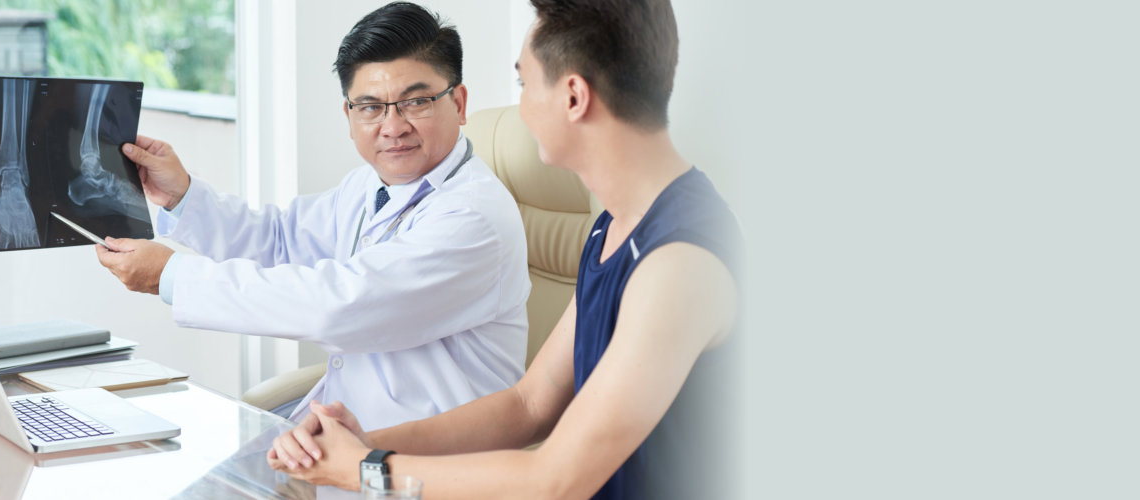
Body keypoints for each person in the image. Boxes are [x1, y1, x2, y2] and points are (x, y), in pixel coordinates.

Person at [267, 1, 742, 498]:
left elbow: (554, 481)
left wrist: (362, 471)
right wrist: (365, 445)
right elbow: (529, 406)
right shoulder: (615, 227)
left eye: (524, 83)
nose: (519, 107)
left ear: (573, 97)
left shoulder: (678, 266)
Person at [92, 2, 531, 431]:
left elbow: (340, 305)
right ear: (349, 114)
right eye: (371, 106)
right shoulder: (369, 185)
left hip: (423, 462)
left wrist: (171, 276)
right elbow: (280, 240)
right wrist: (181, 194)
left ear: (459, 102)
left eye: (416, 102)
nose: (392, 126)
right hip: (344, 435)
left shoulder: (474, 217)